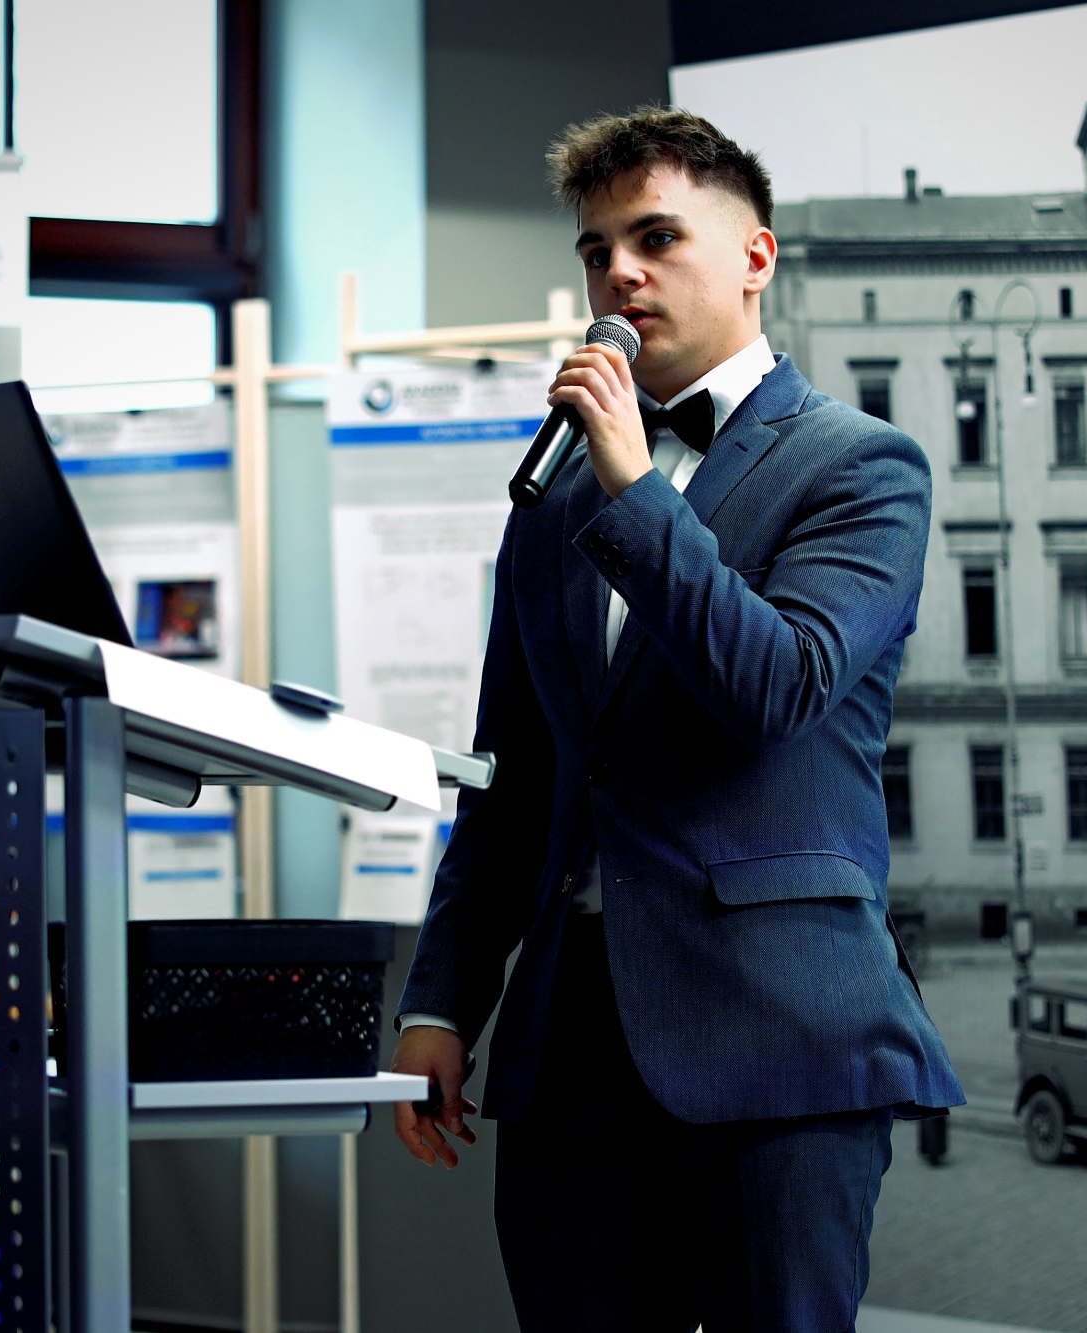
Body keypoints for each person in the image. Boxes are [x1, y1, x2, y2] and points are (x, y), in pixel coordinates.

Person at [389, 108, 962, 1331]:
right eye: (596, 251)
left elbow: (777, 686)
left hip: (779, 1043)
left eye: (655, 238)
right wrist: (440, 1003)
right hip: (567, 1049)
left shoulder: (862, 467)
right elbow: (514, 779)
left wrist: (634, 487)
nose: (618, 274)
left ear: (754, 257)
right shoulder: (553, 501)